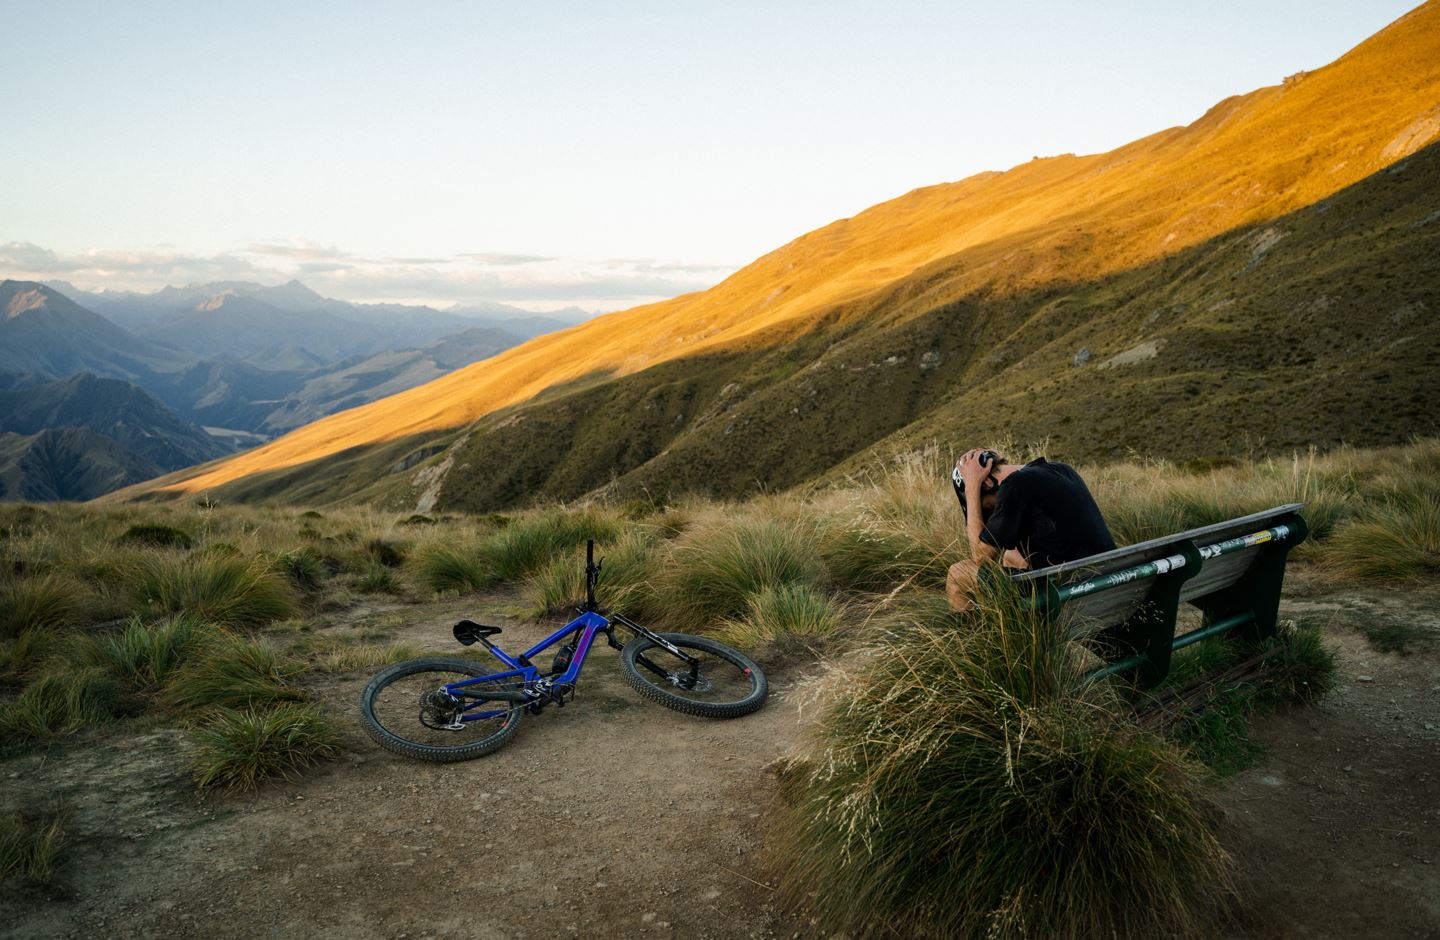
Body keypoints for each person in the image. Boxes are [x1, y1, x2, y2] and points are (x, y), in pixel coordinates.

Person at [945, 448, 1116, 611]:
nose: (992, 512)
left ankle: (973, 637)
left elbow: (980, 558)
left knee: (957, 574)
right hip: (1108, 584)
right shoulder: (1062, 469)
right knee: (1011, 556)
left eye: (989, 506)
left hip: (1065, 596)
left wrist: (971, 488)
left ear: (987, 483)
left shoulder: (1014, 486)